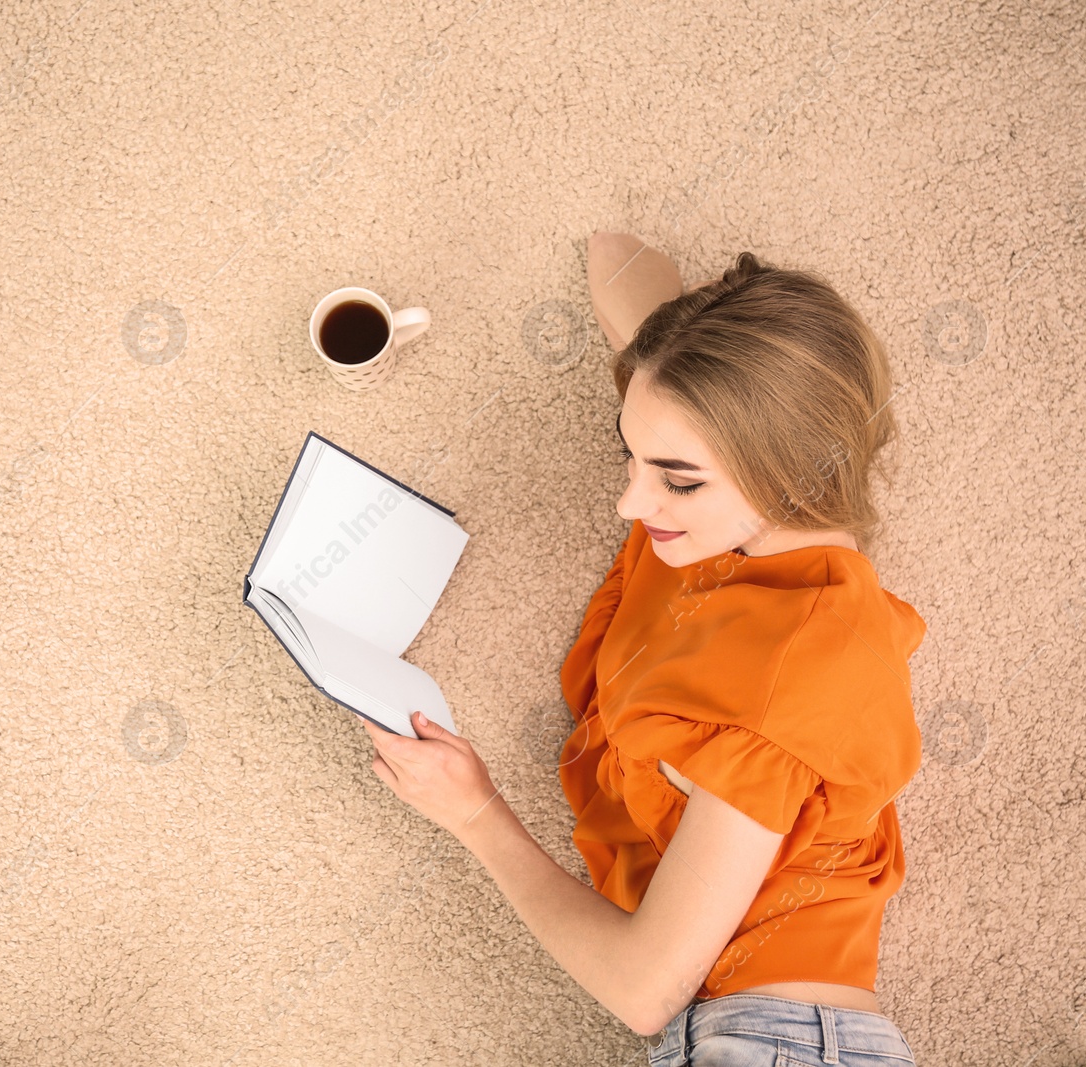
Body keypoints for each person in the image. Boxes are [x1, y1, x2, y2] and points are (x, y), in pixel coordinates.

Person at [361, 233, 925, 1066]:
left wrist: (474, 811)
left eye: (678, 478)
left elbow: (642, 988)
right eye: (632, 453)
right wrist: (687, 344)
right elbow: (616, 259)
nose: (632, 500)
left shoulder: (774, 698)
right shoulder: (784, 539)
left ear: (788, 467)